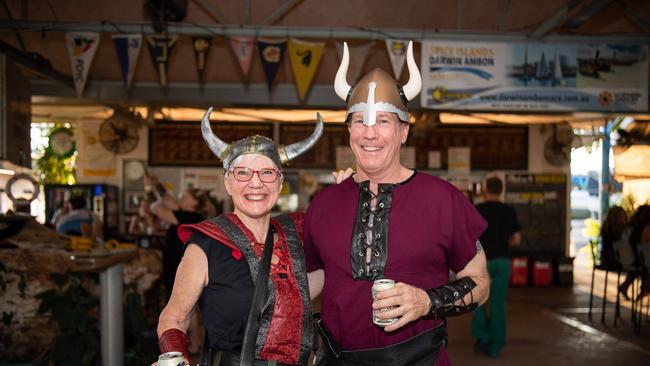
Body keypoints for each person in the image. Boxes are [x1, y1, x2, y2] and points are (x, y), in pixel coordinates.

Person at [303, 41, 490, 366]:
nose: (369, 134)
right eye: (359, 121)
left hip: (419, 359)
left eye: (383, 122)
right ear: (348, 130)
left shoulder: (443, 199)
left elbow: (481, 283)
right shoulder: (323, 203)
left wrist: (427, 301)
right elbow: (315, 278)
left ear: (404, 131)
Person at [156, 107, 323, 365]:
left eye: (267, 173)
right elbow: (175, 317)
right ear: (227, 182)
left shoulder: (297, 237)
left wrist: (350, 188)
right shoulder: (207, 244)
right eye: (242, 172)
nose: (255, 183)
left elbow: (335, 267)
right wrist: (174, 356)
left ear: (279, 183)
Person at [471, 176, 521, 358]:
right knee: (497, 305)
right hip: (502, 262)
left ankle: (482, 337)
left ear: (485, 190)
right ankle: (496, 347)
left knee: (479, 301)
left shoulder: (478, 210)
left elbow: (470, 238)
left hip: (481, 262)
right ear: (501, 190)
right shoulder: (509, 210)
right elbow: (516, 239)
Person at [618, 204, 650, 301]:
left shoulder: (632, 226)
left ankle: (627, 286)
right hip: (637, 259)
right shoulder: (647, 228)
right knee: (645, 265)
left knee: (640, 266)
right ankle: (645, 287)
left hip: (627, 258)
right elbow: (644, 247)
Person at [600, 206, 628, 271]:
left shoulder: (606, 227)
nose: (624, 219)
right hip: (612, 260)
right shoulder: (611, 231)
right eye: (621, 216)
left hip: (607, 259)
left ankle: (628, 280)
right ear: (616, 218)